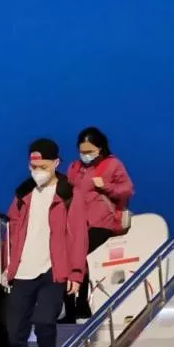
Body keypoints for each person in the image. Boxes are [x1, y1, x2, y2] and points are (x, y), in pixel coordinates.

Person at [0, 138, 86, 347]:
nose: (38, 172)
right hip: (23, 270)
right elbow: (10, 234)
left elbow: (78, 235)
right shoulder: (23, 194)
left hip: (52, 269)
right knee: (15, 331)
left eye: (43, 167)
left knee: (45, 320)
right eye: (33, 167)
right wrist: (0, 266)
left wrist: (76, 272)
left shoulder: (68, 193)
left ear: (56, 163)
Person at [64, 126, 135, 321]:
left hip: (102, 222)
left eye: (90, 151)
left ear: (100, 148)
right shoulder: (74, 167)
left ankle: (79, 307)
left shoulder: (112, 164)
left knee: (76, 254)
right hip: (78, 222)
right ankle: (74, 308)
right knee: (70, 257)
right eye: (82, 151)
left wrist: (107, 186)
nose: (85, 155)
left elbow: (127, 189)